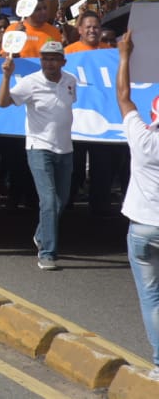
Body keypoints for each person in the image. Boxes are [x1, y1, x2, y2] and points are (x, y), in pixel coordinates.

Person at [0, 40, 77, 270]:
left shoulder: (70, 81)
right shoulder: (30, 83)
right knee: (49, 201)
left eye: (54, 58)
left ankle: (42, 234)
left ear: (63, 61)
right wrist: (6, 77)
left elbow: (66, 109)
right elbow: (2, 103)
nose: (49, 62)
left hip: (65, 149)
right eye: (45, 58)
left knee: (60, 202)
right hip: (39, 148)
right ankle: (47, 253)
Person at [114, 32, 159, 374]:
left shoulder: (141, 137)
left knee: (151, 298)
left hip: (143, 228)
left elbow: (124, 95)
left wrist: (125, 54)